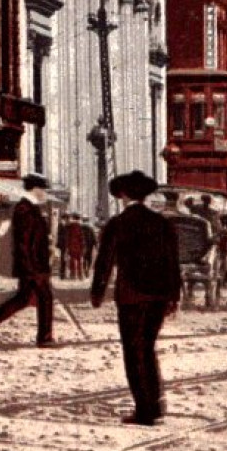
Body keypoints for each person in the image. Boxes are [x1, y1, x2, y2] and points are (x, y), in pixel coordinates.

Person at [91, 170, 181, 426]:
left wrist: (97, 292)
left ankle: (144, 409)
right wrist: (173, 295)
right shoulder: (163, 223)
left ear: (122, 195)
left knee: (133, 353)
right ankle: (155, 404)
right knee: (148, 349)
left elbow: (104, 263)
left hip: (130, 296)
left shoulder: (117, 224)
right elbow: (172, 262)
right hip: (157, 297)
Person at [0, 175, 56, 347]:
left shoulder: (30, 208)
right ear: (35, 189)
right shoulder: (25, 209)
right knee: (44, 298)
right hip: (32, 266)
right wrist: (32, 267)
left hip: (35, 265)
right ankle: (45, 338)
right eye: (43, 190)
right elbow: (24, 242)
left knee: (23, 300)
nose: (44, 194)